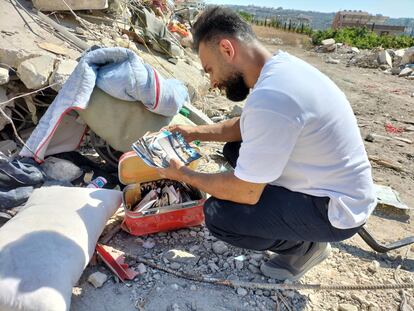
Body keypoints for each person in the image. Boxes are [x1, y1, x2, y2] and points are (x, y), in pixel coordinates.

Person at [157, 6, 377, 281]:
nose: (212, 82)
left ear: (227, 49)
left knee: (219, 215)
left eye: (210, 69)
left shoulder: (273, 97)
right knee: (234, 149)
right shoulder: (281, 68)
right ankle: (299, 228)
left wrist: (184, 175)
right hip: (336, 187)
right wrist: (194, 133)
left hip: (336, 211)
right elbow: (244, 126)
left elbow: (246, 193)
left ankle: (305, 247)